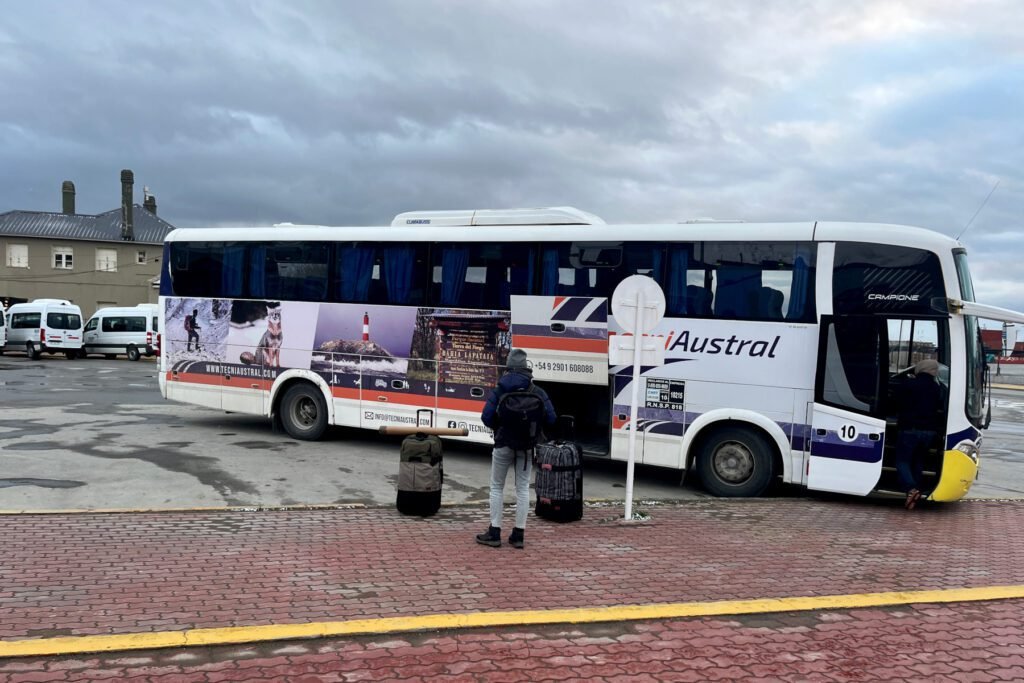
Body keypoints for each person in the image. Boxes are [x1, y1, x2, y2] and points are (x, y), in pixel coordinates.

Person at [476, 348, 556, 549]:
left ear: (508, 367)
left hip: (503, 444)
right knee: (522, 489)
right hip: (527, 448)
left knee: (496, 487)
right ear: (526, 368)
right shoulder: (536, 391)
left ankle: (494, 532)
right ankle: (518, 535)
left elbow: (486, 417)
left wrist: (500, 426)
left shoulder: (500, 389)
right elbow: (552, 418)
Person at [894, 358, 944, 510]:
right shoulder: (937, 387)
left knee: (902, 461)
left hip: (910, 428)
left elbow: (896, 402)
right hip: (929, 431)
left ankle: (911, 489)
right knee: (918, 461)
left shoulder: (909, 384)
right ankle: (915, 494)